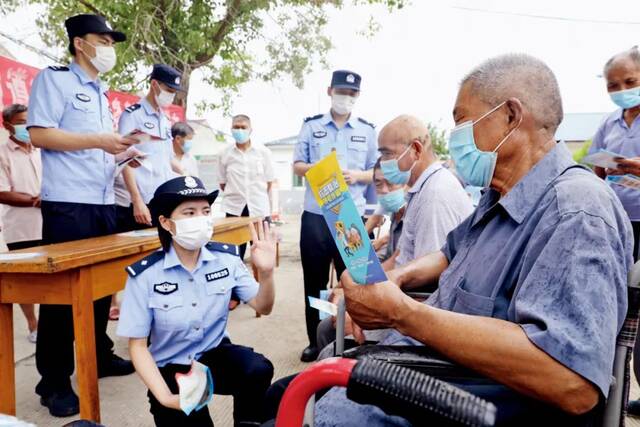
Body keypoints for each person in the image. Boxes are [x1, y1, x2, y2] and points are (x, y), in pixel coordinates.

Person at [269, 54, 634, 426]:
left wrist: (403, 313)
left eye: (461, 119)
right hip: (416, 368)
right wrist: (398, 279)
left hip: (456, 403)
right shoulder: (499, 196)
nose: (454, 136)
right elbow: (448, 252)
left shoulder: (577, 212)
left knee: (289, 405)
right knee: (277, 397)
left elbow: (570, 382)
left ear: (511, 115)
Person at [26, 13, 136, 417]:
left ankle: (99, 356)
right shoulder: (55, 80)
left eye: (111, 42)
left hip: (104, 200)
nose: (108, 48)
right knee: (62, 297)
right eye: (102, 40)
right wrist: (99, 139)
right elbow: (39, 133)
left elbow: (96, 150)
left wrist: (122, 155)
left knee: (98, 290)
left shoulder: (103, 94)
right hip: (70, 204)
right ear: (80, 43)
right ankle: (52, 381)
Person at [117, 175, 276, 426]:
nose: (200, 219)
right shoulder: (145, 275)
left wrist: (266, 274)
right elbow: (137, 347)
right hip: (171, 367)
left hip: (213, 354)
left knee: (256, 370)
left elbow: (263, 307)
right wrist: (166, 397)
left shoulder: (226, 259)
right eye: (189, 213)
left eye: (205, 211)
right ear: (166, 223)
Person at [293, 69, 378, 362]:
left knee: (357, 280)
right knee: (315, 283)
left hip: (349, 216)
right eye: (342, 92)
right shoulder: (311, 126)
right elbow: (297, 165)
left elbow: (375, 172)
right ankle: (316, 341)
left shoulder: (367, 130)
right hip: (315, 214)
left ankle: (354, 338)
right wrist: (319, 170)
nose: (346, 98)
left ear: (358, 96)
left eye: (352, 93)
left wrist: (356, 175)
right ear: (330, 91)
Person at [589, 46, 640, 416]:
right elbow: (592, 163)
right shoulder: (608, 124)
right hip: (618, 225)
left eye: (630, 82)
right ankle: (612, 384)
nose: (621, 89)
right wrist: (602, 170)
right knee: (619, 303)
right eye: (613, 85)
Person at [315, 158, 407, 351]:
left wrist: (352, 295)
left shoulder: (414, 209)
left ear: (406, 180)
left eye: (390, 182)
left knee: (331, 328)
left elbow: (398, 261)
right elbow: (370, 226)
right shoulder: (391, 205)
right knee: (324, 325)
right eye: (378, 184)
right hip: (382, 285)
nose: (384, 190)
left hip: (397, 299)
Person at [378, 114, 473, 269]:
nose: (383, 162)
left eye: (387, 153)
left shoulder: (435, 195)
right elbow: (401, 258)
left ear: (415, 150)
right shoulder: (423, 188)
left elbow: (430, 277)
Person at [115, 64, 184, 232]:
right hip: (143, 201)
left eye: (174, 92)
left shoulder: (164, 120)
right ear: (154, 84)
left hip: (164, 197)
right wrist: (137, 200)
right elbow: (125, 159)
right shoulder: (134, 115)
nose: (171, 95)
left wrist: (185, 175)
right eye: (168, 90)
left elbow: (167, 158)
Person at [0, 103, 41, 343]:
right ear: (7, 126)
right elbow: (2, 192)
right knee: (26, 282)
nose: (27, 126)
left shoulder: (42, 150)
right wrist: (36, 201)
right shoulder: (3, 154)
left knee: (53, 281)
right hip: (21, 228)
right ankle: (33, 324)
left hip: (51, 224)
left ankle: (50, 327)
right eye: (21, 122)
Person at [218, 114, 275, 259]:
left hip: (259, 209)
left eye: (243, 127)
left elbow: (269, 182)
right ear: (231, 129)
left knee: (261, 252)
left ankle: (261, 281)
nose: (239, 130)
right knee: (234, 254)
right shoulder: (224, 154)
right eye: (236, 127)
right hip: (234, 210)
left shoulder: (263, 152)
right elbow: (222, 182)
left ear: (250, 130)